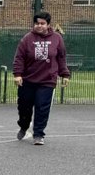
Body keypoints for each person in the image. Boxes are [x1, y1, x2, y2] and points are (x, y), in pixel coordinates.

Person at [12, 10, 70, 146]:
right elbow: (19, 58)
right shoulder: (27, 39)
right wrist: (17, 74)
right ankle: (24, 126)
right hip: (28, 80)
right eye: (37, 23)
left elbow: (61, 58)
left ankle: (38, 134)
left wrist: (65, 74)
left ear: (48, 25)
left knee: (42, 107)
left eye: (42, 23)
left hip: (47, 80)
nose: (39, 26)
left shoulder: (57, 38)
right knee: (24, 107)